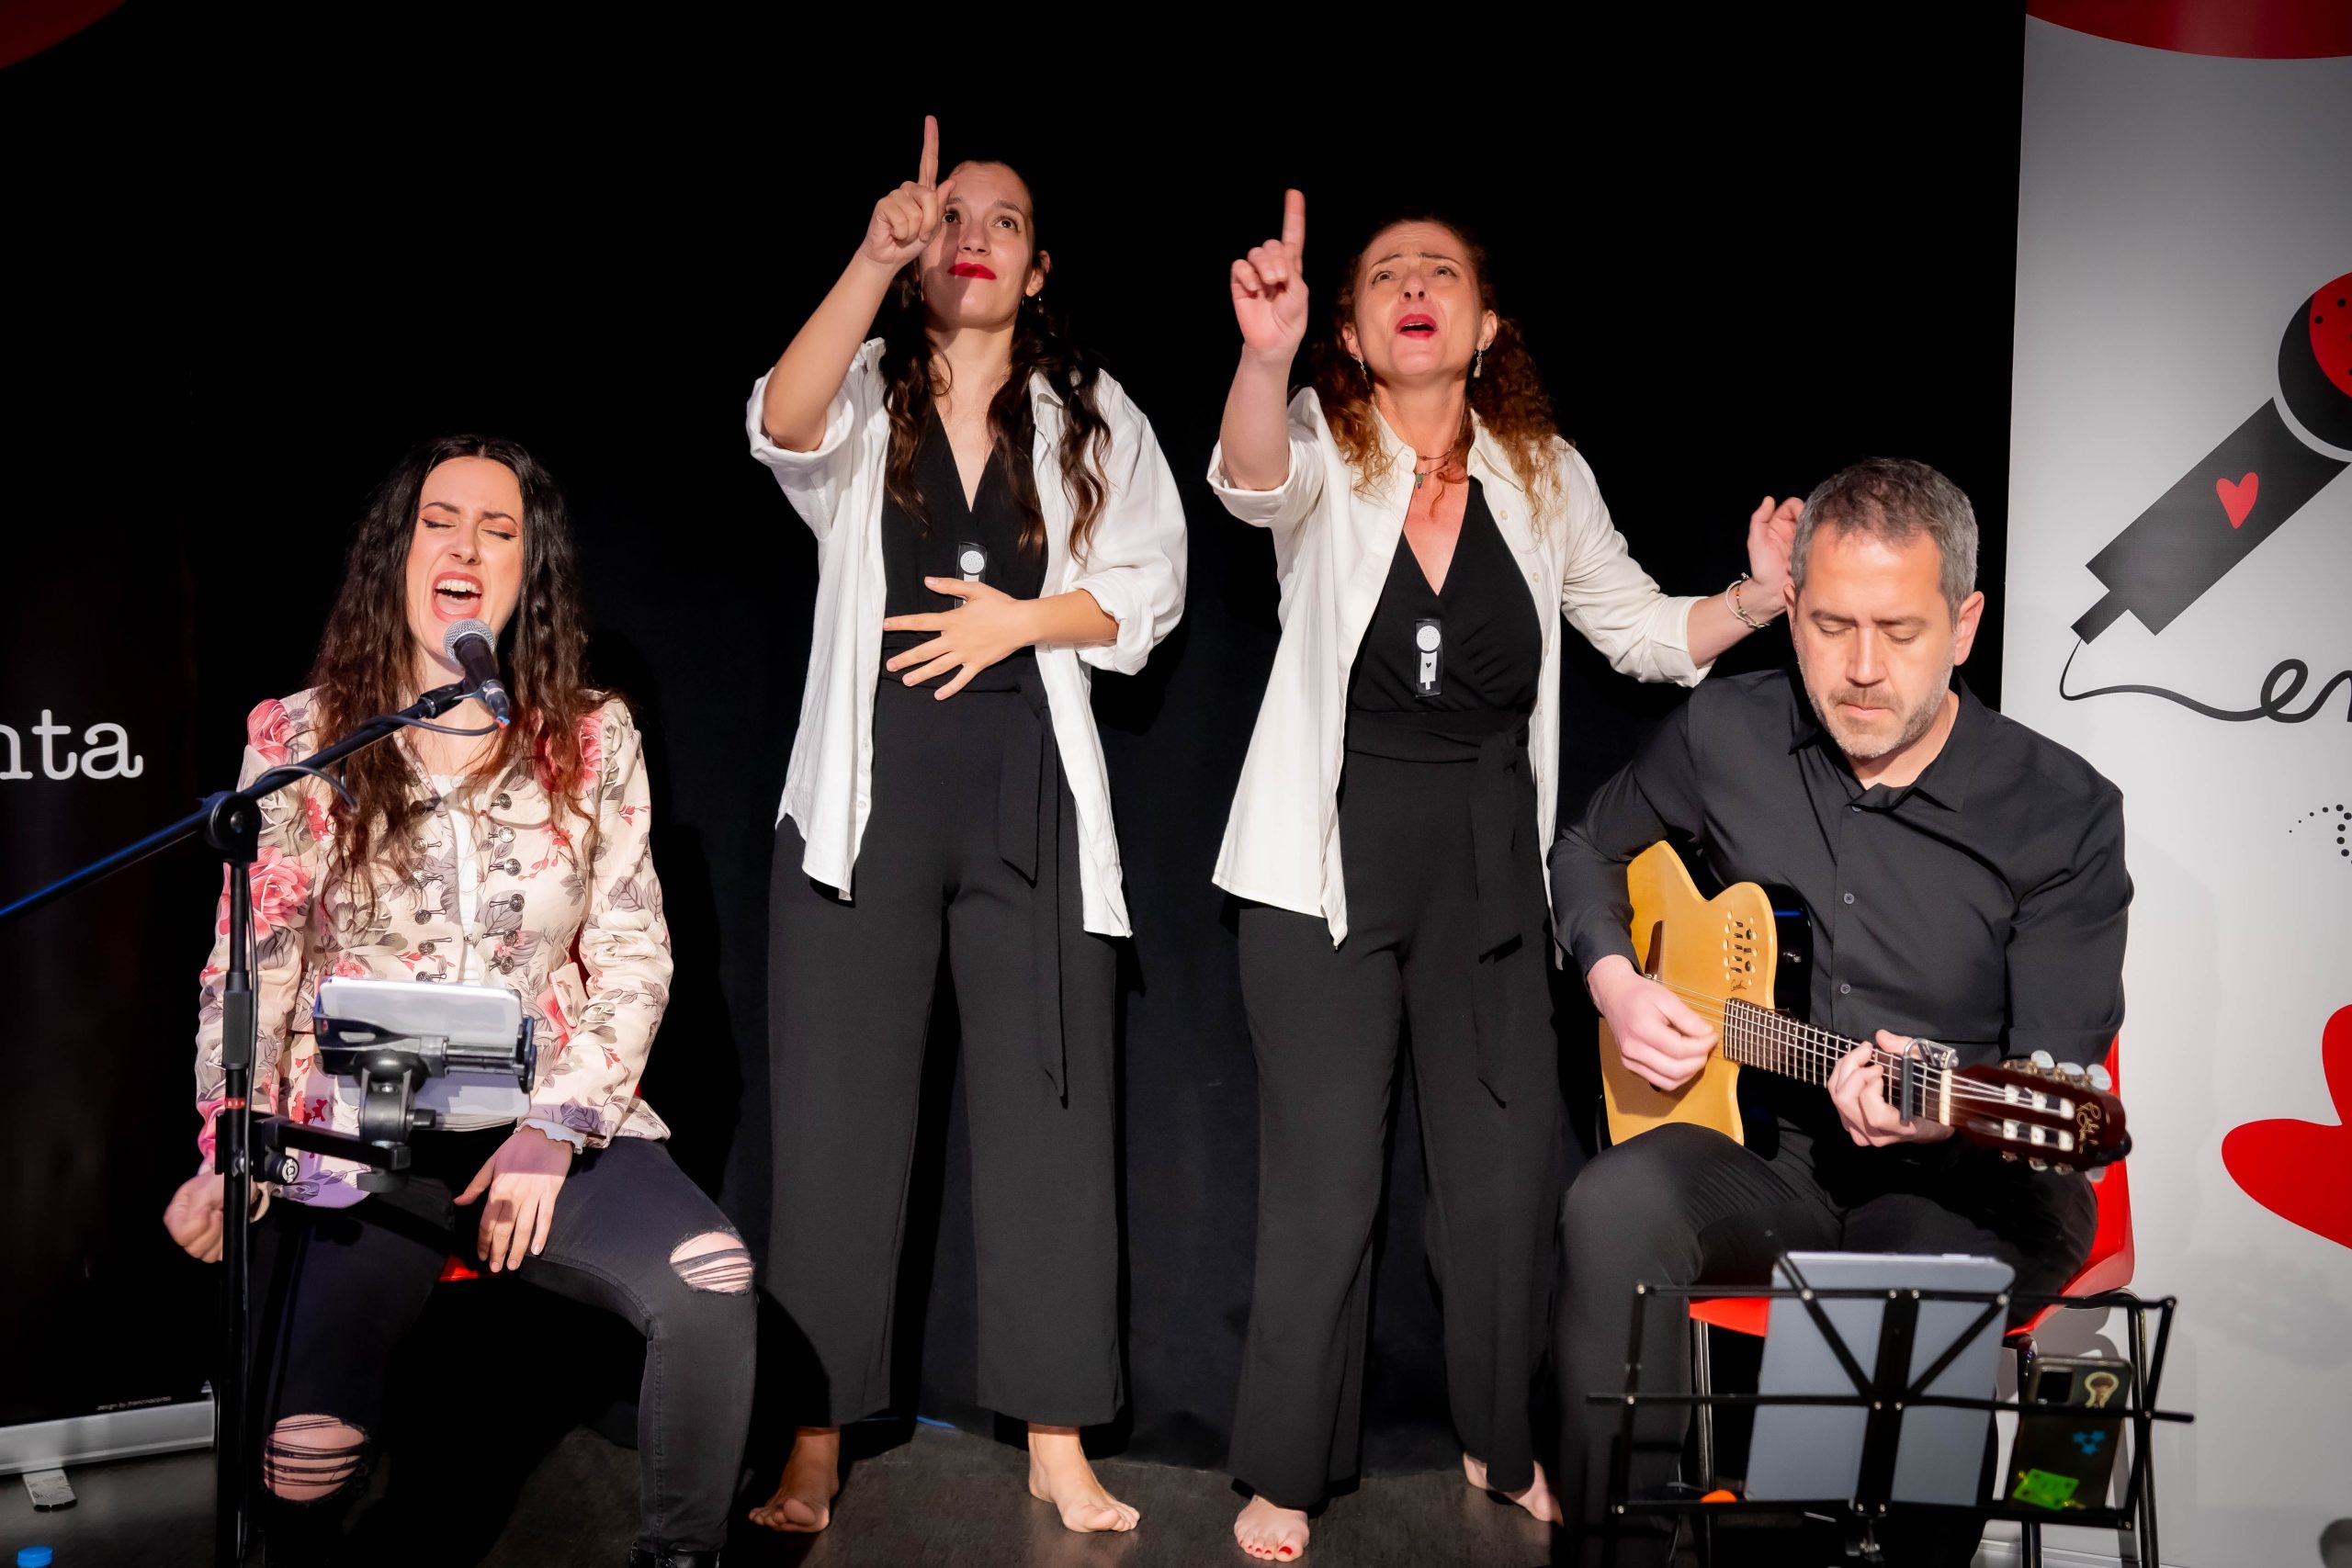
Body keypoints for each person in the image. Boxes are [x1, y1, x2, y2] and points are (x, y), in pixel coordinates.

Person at [1209, 190, 1795, 1562]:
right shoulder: (1319, 439)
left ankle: (1500, 1437)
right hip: (1324, 858)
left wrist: (1759, 597)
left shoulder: (1545, 474)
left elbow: (1641, 629)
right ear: (1351, 331)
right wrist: (1262, 358)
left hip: (1485, 859)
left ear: (1485, 328)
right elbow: (1249, 482)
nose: (1415, 285)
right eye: (1385, 275)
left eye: (1442, 272)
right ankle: (1285, 1467)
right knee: (1326, 1186)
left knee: (1503, 1182)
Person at [161, 435, 753, 1568]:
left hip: (541, 1116)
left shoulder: (590, 735)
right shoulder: (299, 738)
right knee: (302, 1458)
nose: (467, 548)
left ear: (530, 571)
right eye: (441, 523)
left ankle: (683, 1557)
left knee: (710, 1282)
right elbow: (254, 960)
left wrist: (553, 1129)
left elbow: (633, 949)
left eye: (499, 530)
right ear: (399, 553)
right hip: (360, 1130)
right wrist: (229, 1143)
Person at [1549, 457, 2127, 1567]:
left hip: (1971, 1176)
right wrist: (1617, 981)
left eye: (1899, 631)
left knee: (1900, 1298)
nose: (1860, 669)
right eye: (1828, 626)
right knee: (1610, 1206)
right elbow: (1586, 847)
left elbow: (2055, 1084)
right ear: (1793, 606)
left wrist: (1942, 1109)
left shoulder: (2059, 816)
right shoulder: (1727, 732)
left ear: (1963, 626)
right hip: (1771, 1150)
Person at [745, 117, 1185, 1537]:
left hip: (1027, 799)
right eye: (954, 217)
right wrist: (871, 258)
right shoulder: (866, 391)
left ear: (1039, 266)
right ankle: (814, 1434)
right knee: (834, 1126)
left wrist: (1022, 619)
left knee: (1052, 1116)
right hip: (863, 803)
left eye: (1006, 221)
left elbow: (1154, 580)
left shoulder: (1088, 411)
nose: (976, 236)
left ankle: (1057, 1437)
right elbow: (778, 422)